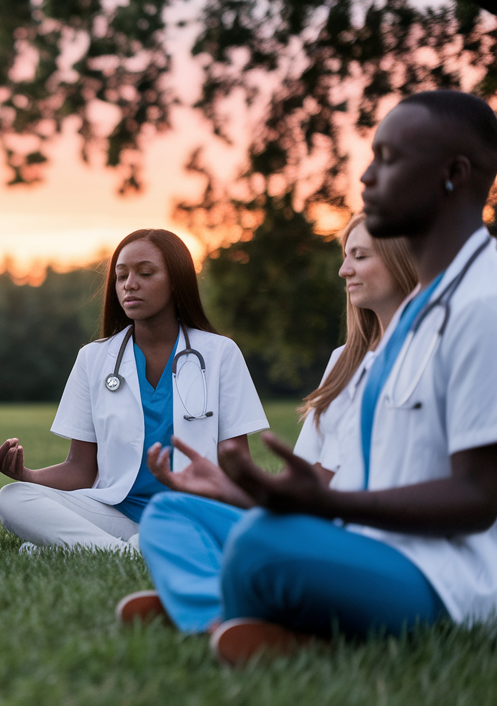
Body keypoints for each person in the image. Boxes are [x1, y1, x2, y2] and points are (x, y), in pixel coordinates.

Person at [203, 90, 497, 664]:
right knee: (226, 526)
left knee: (259, 548)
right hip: (373, 548)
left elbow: (479, 498)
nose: (365, 176)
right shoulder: (417, 311)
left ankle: (226, 616)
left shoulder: (485, 303)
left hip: (448, 580)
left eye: (388, 159)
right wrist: (293, 499)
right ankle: (264, 623)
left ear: (453, 174)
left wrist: (324, 505)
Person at [118, 213, 416, 636]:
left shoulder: (432, 358)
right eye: (345, 256)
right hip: (322, 528)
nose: (343, 269)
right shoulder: (341, 364)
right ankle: (219, 611)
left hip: (367, 541)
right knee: (169, 512)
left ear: (404, 261)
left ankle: (225, 601)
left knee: (261, 540)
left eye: (359, 256)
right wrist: (235, 490)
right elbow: (313, 481)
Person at [0, 229, 269, 552]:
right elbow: (81, 470)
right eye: (121, 276)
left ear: (177, 281)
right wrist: (26, 474)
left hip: (193, 512)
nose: (129, 285)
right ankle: (127, 552)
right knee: (14, 498)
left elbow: (236, 464)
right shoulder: (93, 358)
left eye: (145, 273)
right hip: (119, 512)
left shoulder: (220, 353)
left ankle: (79, 547)